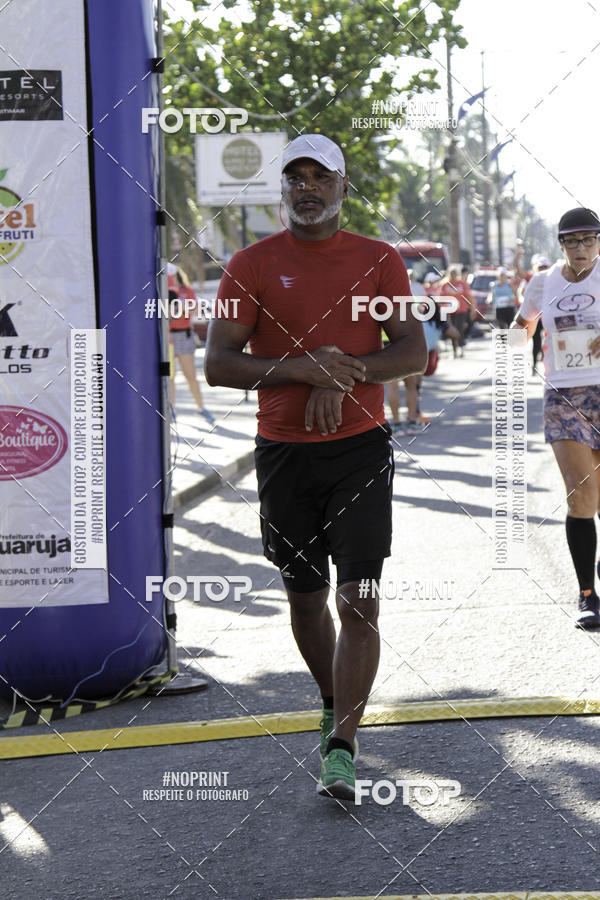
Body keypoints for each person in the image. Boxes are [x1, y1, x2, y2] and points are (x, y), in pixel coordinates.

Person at [205, 133, 427, 800]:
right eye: (296, 177)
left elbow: (412, 352)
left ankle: (342, 744)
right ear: (283, 188)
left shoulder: (380, 259)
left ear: (342, 186)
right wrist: (305, 369)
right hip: (283, 454)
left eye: (320, 176)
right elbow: (219, 364)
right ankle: (332, 702)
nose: (308, 187)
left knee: (359, 598)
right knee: (305, 598)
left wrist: (343, 372)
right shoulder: (250, 264)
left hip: (360, 449)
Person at [513, 207, 600, 629]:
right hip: (563, 397)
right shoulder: (543, 282)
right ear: (561, 244)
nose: (581, 248)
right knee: (581, 496)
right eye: (572, 241)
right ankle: (587, 594)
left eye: (589, 239)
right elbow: (522, 325)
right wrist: (515, 340)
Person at [167, 264, 214, 424]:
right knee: (169, 377)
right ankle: (172, 410)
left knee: (191, 375)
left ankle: (201, 407)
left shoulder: (187, 291)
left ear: (177, 275)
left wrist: (179, 308)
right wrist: (179, 308)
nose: (170, 278)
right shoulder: (162, 290)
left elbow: (194, 309)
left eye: (172, 275)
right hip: (167, 338)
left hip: (184, 336)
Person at [437, 265, 475, 356]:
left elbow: (469, 296)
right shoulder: (444, 284)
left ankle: (461, 347)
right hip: (449, 310)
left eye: (455, 273)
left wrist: (472, 308)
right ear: (448, 274)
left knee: (459, 328)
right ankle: (454, 350)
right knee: (451, 329)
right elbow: (439, 298)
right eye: (451, 273)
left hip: (461, 310)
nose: (453, 275)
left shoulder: (462, 284)